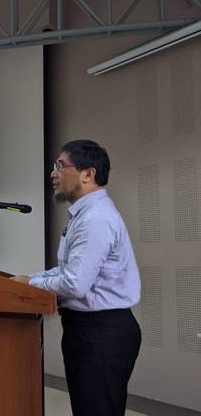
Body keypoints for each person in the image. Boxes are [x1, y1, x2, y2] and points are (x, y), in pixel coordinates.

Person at [11, 140, 141, 416]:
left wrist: (30, 284)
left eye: (60, 166)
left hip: (101, 334)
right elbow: (68, 271)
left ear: (88, 174)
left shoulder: (95, 219)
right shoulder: (86, 215)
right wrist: (31, 277)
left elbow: (74, 283)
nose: (53, 173)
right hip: (91, 331)